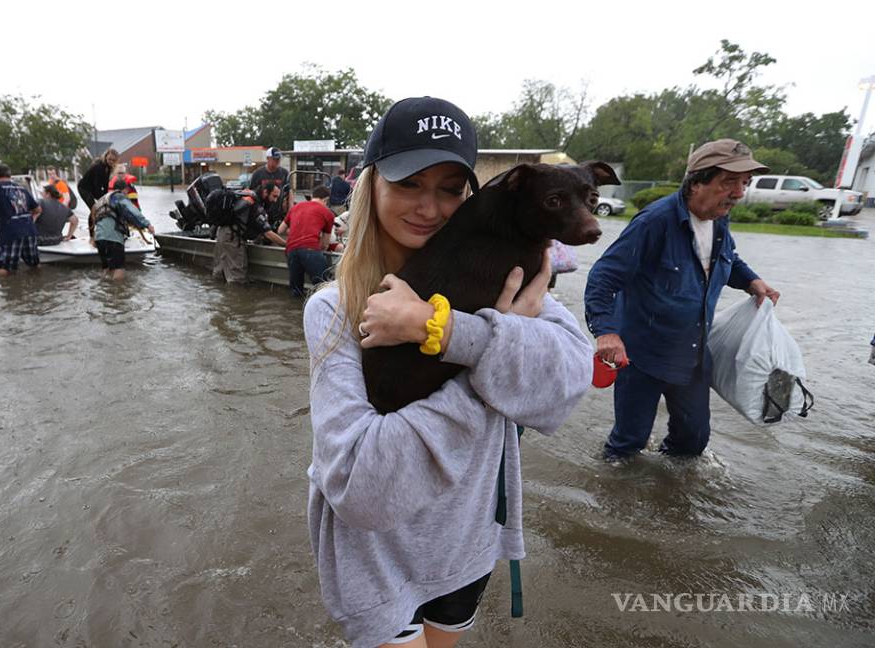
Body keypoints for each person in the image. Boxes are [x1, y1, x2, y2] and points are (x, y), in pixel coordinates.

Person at [302, 96, 592, 648]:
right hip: (375, 555)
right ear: (371, 188)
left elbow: (568, 385)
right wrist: (498, 360)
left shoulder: (510, 279)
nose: (429, 208)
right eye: (409, 183)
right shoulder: (336, 309)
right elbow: (362, 489)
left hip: (468, 541)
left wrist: (456, 333)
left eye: (450, 188)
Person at [584, 139, 781, 460]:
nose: (739, 193)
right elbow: (603, 277)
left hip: (692, 356)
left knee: (693, 441)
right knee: (627, 444)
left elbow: (725, 258)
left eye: (744, 183)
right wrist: (606, 332)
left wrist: (752, 282)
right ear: (698, 181)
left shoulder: (720, 219)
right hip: (642, 356)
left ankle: (670, 493)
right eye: (729, 182)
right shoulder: (653, 223)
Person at [211, 184, 287, 284]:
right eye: (274, 196)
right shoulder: (256, 205)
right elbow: (268, 234)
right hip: (233, 238)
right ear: (265, 192)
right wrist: (287, 244)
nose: (275, 200)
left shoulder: (245, 196)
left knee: (219, 275)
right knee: (237, 278)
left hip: (221, 233)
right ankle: (236, 297)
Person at [0, 165, 42, 277]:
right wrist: (31, 220)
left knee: (4, 267)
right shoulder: (21, 188)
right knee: (34, 264)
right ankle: (36, 288)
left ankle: (9, 292)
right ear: (10, 175)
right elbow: (38, 209)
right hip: (29, 231)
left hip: (9, 232)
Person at [278, 184, 335, 297]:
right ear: (326, 200)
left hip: (291, 251)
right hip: (311, 250)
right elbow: (325, 244)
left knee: (296, 291)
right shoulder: (327, 213)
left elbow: (280, 230)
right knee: (323, 288)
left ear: (312, 196)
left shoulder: (295, 207)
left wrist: (296, 231)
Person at [90, 185, 155, 280]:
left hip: (99, 238)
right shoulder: (119, 196)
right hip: (113, 237)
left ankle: (104, 289)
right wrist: (147, 224)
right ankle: (118, 291)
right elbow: (132, 211)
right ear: (125, 189)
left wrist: (92, 237)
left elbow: (92, 217)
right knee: (119, 269)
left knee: (107, 268)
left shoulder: (102, 200)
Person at [248, 146, 289, 223]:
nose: (277, 161)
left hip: (279, 213)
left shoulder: (284, 173)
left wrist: (290, 211)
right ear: (267, 158)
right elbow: (251, 193)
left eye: (279, 159)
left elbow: (289, 192)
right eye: (275, 159)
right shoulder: (258, 173)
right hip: (261, 213)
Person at [77, 148, 118, 215]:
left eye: (113, 160)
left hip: (92, 187)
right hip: (84, 188)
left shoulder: (108, 168)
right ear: (106, 157)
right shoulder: (99, 167)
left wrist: (106, 197)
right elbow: (97, 185)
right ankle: (93, 224)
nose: (111, 162)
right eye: (109, 159)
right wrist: (102, 199)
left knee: (103, 206)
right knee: (94, 208)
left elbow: (105, 184)